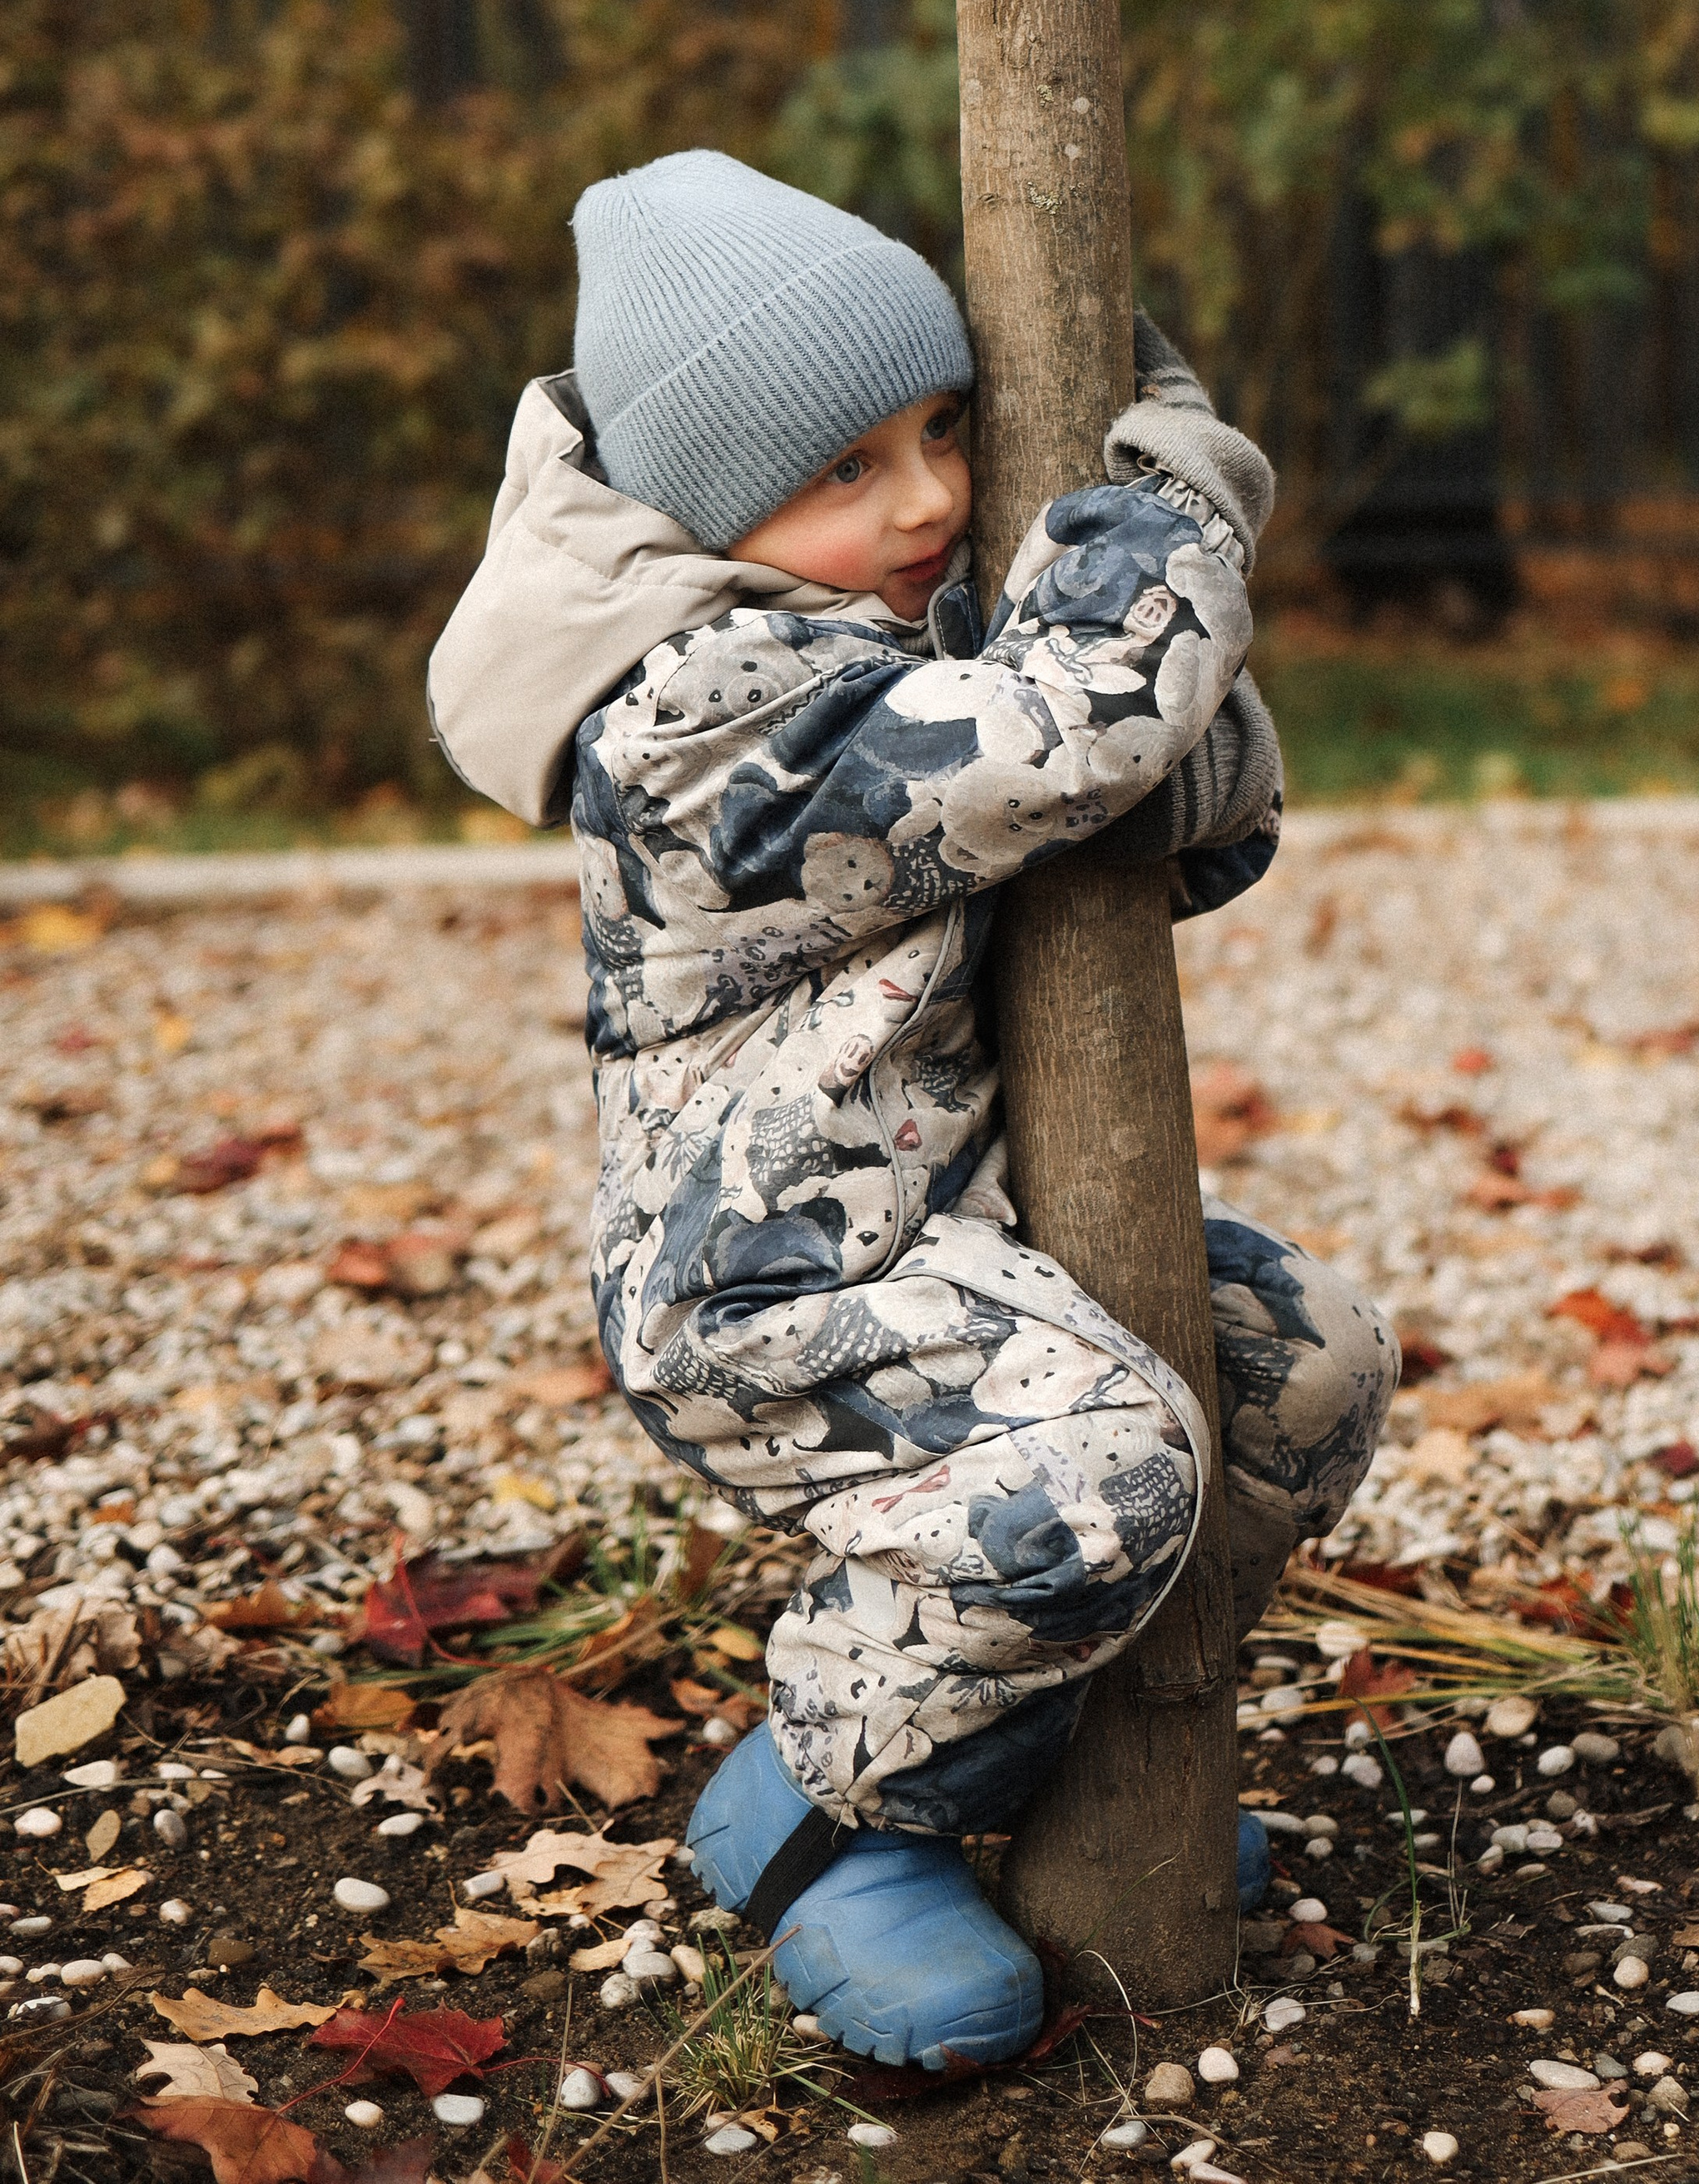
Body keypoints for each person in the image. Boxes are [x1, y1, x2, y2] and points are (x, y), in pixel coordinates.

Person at [428, 149, 1398, 2071]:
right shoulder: (702, 718)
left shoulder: (882, 650)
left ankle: (1046, 1762)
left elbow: (1180, 824)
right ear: (710, 506)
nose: (939, 499)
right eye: (850, 470)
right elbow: (1073, 736)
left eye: (947, 432)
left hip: (944, 1242)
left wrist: (1150, 668)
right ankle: (824, 1825)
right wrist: (1157, 524)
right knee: (1096, 1473)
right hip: (768, 1294)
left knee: (1298, 1367)